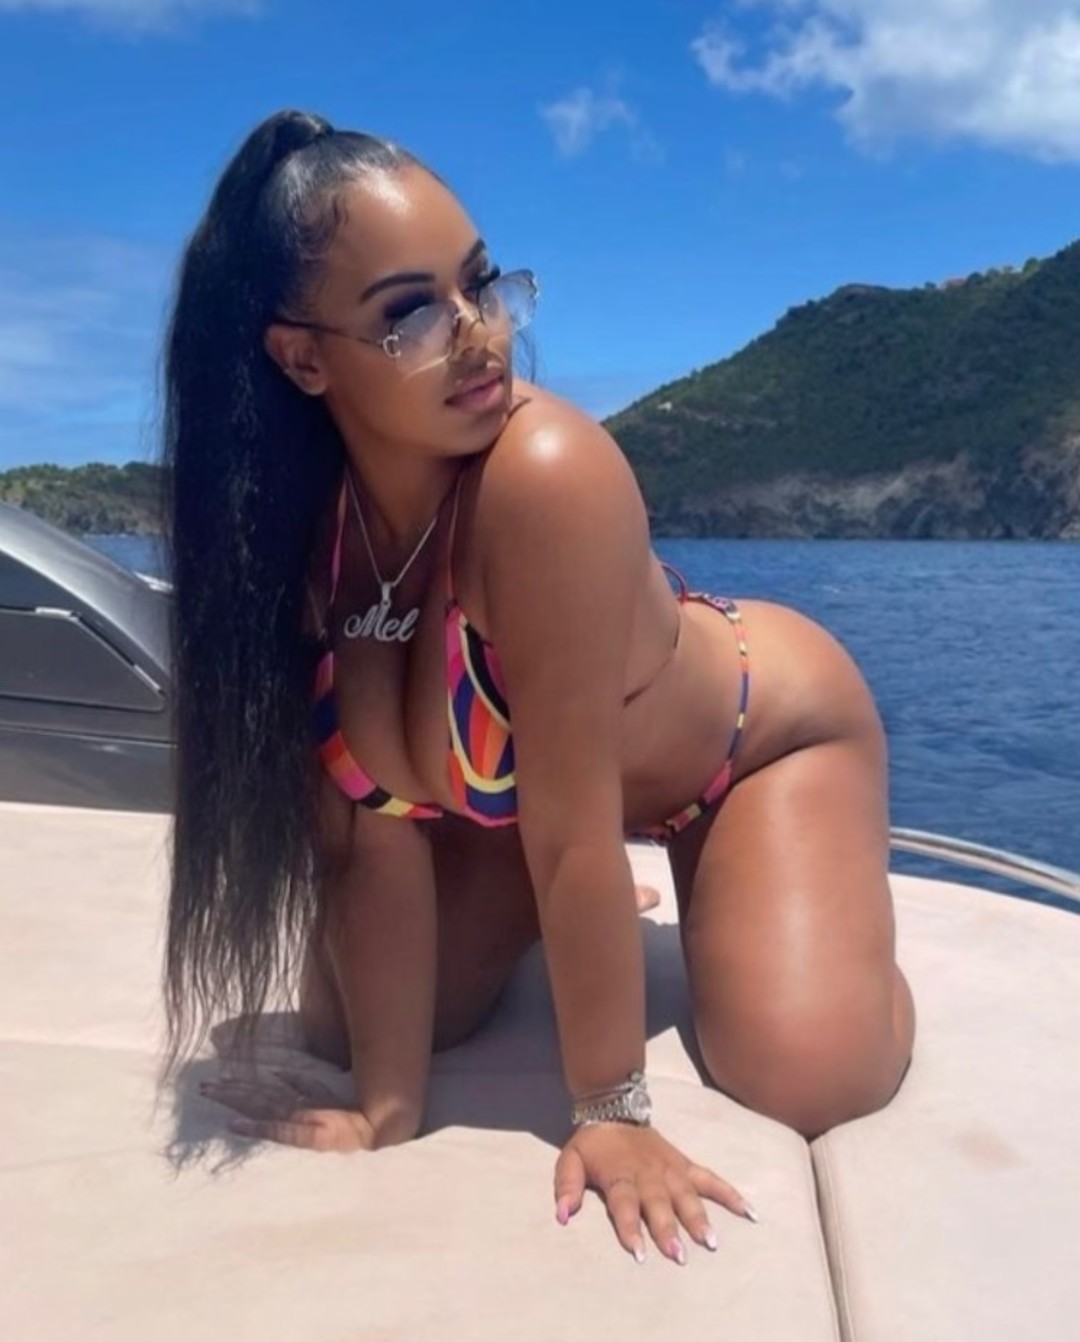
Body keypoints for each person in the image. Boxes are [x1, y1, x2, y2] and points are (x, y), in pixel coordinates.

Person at [163, 108, 915, 1267]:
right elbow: (369, 837)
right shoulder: (308, 544)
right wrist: (386, 1110)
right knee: (344, 1030)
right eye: (411, 313)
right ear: (303, 359)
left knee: (808, 1073)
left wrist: (611, 1109)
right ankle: (608, 914)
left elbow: (572, 836)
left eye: (478, 283)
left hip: (754, 743)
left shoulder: (546, 475)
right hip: (555, 806)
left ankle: (797, 892)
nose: (479, 335)